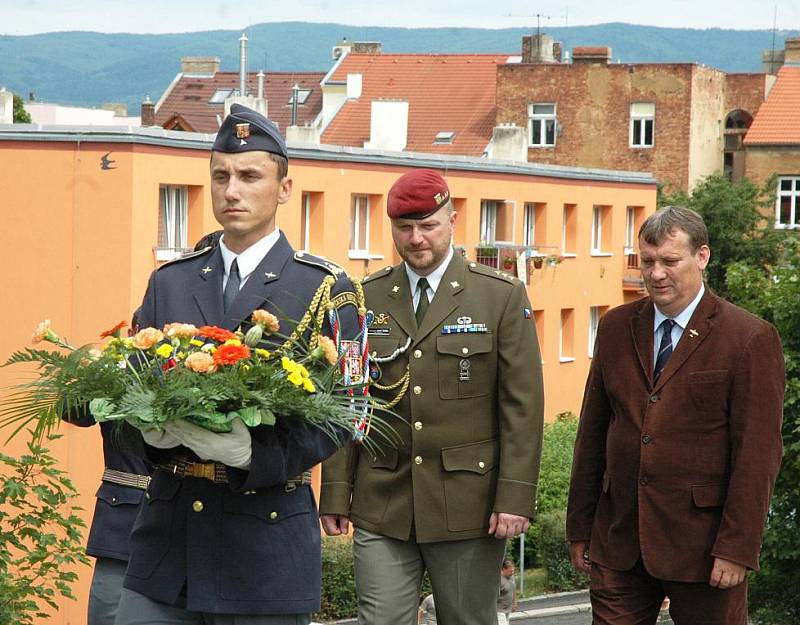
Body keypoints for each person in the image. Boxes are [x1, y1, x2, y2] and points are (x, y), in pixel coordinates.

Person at [114, 103, 361, 624]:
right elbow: (130, 383)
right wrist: (145, 436)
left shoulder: (324, 287)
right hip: (168, 546)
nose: (232, 191)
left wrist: (254, 452)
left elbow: (352, 408)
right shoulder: (172, 280)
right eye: (220, 176)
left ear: (285, 189)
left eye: (250, 176)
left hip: (264, 549)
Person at [319, 168, 544, 625]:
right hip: (384, 500)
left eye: (428, 226)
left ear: (452, 220)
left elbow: (522, 406)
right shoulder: (365, 298)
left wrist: (515, 497)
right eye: (405, 228)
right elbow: (347, 398)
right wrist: (336, 490)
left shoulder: (498, 296)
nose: (417, 238)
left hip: (470, 504)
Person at [566, 206, 785, 625]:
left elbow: (757, 455)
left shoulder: (749, 338)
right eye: (646, 262)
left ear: (701, 257)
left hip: (704, 549)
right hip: (619, 539)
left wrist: (737, 548)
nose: (656, 273)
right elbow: (592, 434)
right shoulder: (615, 326)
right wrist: (580, 526)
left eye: (669, 261)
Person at [62, 412, 149, 625]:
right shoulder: (120, 377)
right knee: (107, 614)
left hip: (191, 522)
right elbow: (73, 409)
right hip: (123, 523)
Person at [496, 558, 517, 625]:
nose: (512, 573)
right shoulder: (498, 581)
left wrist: (514, 603)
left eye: (513, 571)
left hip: (508, 609)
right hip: (499, 611)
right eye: (510, 571)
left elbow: (513, 590)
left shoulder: (512, 577)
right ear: (503, 569)